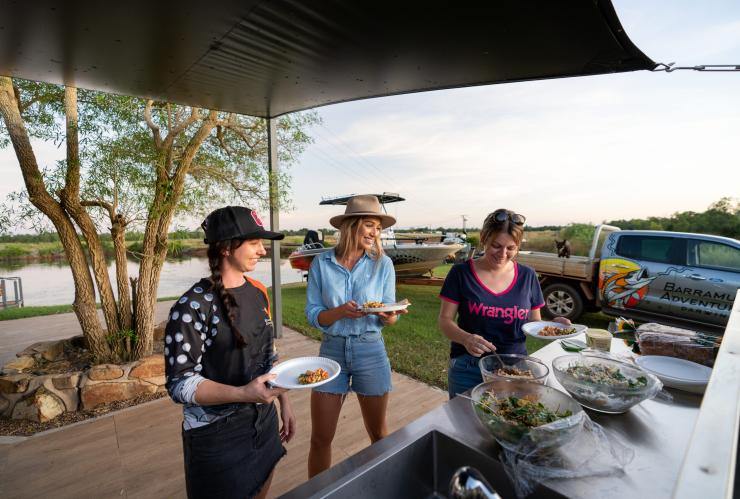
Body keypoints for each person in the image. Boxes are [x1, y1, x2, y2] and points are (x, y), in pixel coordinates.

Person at [164, 206, 296, 499]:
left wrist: (284, 402)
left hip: (263, 420)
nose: (262, 251)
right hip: (216, 436)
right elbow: (180, 384)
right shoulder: (192, 306)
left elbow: (267, 354)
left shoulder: (258, 291)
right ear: (225, 247)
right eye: (254, 242)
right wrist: (243, 394)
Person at [304, 194, 407, 477]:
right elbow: (313, 314)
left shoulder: (382, 265)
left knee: (379, 435)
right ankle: (318, 495)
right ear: (351, 226)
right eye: (370, 225)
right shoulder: (321, 263)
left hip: (370, 351)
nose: (375, 233)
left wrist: (391, 316)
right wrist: (339, 312)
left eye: (378, 228)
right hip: (332, 352)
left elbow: (389, 312)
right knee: (320, 438)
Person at [438, 209, 570, 398]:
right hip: (469, 367)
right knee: (466, 424)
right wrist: (466, 339)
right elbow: (445, 320)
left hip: (516, 368)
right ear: (484, 238)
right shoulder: (460, 273)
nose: (503, 254)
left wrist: (556, 326)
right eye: (496, 246)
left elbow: (534, 323)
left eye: (511, 248)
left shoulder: (528, 276)